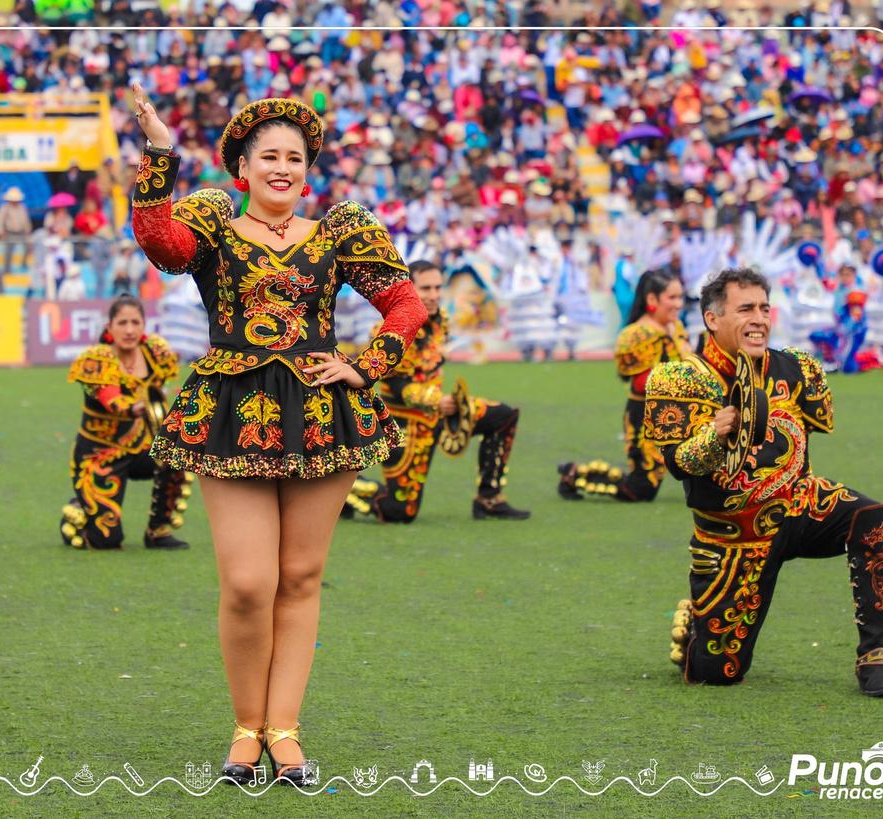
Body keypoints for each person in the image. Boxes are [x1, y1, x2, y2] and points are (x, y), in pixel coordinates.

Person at [131, 86, 427, 785]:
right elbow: (160, 243)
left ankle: (284, 731)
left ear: (308, 169)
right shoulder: (211, 222)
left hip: (322, 413)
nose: (283, 168)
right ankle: (245, 728)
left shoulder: (340, 231)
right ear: (242, 166)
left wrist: (365, 366)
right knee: (246, 582)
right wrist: (160, 153)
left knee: (298, 577)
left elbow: (405, 303)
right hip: (229, 412)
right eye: (268, 156)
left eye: (295, 157)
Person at [643, 268, 883, 697]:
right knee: (716, 673)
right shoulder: (680, 378)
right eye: (746, 309)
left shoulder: (796, 367)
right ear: (712, 318)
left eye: (764, 308)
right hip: (734, 537)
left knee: (879, 520)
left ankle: (873, 656)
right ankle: (698, 621)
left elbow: (814, 425)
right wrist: (715, 434)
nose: (759, 319)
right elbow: (678, 464)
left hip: (802, 504)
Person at [344, 260, 530, 522]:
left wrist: (444, 402)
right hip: (405, 423)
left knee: (503, 416)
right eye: (426, 288)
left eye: (437, 288)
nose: (433, 295)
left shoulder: (440, 318)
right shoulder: (392, 327)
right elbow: (394, 385)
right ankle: (348, 490)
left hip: (439, 412)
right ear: (408, 289)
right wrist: (434, 400)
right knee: (400, 512)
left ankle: (489, 499)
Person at [60, 296, 191, 551]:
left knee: (175, 457)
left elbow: (157, 394)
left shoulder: (154, 352)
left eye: (135, 322)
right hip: (100, 457)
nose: (129, 330)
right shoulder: (97, 359)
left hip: (140, 449)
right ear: (109, 327)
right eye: (122, 323)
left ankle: (158, 531)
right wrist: (132, 408)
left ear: (144, 325)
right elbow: (110, 397)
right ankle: (76, 512)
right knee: (106, 541)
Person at [558, 269, 692, 501]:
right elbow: (640, 383)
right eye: (672, 298)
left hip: (683, 413)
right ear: (652, 299)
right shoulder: (634, 335)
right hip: (646, 417)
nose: (678, 304)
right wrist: (686, 379)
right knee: (641, 489)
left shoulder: (677, 327)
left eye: (680, 297)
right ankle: (574, 474)